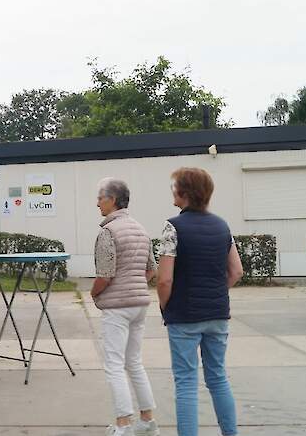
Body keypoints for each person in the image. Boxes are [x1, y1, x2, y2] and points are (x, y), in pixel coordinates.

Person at [157, 168, 242, 436]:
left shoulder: (173, 227)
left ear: (184, 192)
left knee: (185, 383)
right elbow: (236, 271)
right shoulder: (222, 226)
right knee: (217, 378)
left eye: (174, 187)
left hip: (184, 316)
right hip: (218, 314)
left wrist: (165, 305)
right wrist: (217, 291)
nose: (173, 191)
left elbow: (164, 280)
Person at [90, 178, 160, 436]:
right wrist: (133, 286)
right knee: (134, 362)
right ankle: (148, 421)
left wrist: (93, 293)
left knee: (114, 365)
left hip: (117, 308)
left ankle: (123, 425)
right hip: (140, 304)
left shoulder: (108, 232)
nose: (97, 202)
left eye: (100, 197)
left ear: (113, 200)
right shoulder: (140, 229)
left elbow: (105, 275)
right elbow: (151, 269)